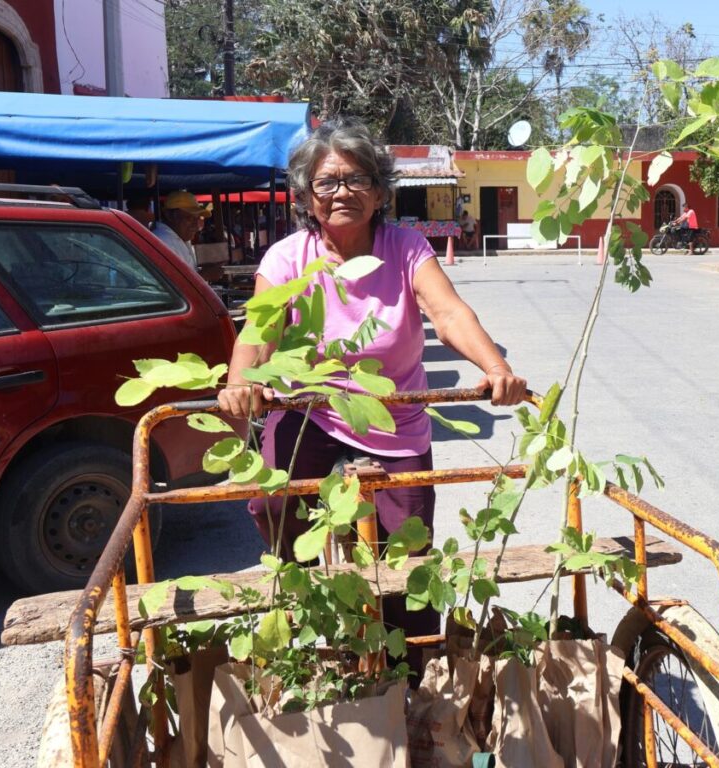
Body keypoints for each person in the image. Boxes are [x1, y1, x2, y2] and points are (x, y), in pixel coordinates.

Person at [217, 117, 527, 642]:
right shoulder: (288, 257)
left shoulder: (406, 247)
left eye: (358, 179)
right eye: (327, 182)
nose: (343, 192)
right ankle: (302, 608)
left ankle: (414, 662)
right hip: (307, 411)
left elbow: (448, 314)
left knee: (408, 551)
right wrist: (241, 382)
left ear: (380, 191)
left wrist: (495, 369)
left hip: (393, 414)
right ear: (305, 195)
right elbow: (259, 330)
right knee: (273, 505)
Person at [152, 190, 211, 268]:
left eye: (197, 219)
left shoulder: (179, 239)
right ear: (169, 215)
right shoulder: (163, 241)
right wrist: (205, 275)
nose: (196, 225)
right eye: (189, 218)